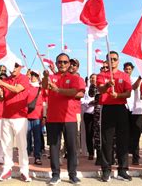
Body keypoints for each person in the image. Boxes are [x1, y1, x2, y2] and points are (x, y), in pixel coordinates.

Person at [43, 53, 84, 185]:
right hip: (53, 118)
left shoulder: (73, 78)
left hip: (69, 117)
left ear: (69, 64)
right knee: (54, 148)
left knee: (71, 147)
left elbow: (74, 92)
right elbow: (44, 87)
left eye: (65, 62)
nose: (62, 64)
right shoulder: (51, 77)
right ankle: (55, 174)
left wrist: (58, 90)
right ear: (56, 63)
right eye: (60, 62)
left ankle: (72, 175)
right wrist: (44, 77)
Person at [96, 51, 132, 182]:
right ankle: (106, 169)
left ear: (118, 61)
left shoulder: (124, 76)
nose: (112, 61)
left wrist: (119, 95)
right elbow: (100, 90)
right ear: (106, 61)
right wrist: (107, 85)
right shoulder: (102, 75)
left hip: (121, 109)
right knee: (107, 140)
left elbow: (128, 93)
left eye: (114, 59)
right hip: (108, 109)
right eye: (110, 59)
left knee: (123, 140)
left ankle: (123, 169)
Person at [0, 63, 31, 182]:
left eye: (16, 66)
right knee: (6, 145)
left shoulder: (24, 78)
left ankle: (24, 171)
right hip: (6, 116)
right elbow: (2, 98)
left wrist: (2, 83)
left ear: (21, 67)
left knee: (22, 146)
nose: (13, 68)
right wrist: (0, 94)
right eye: (12, 66)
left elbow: (17, 89)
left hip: (20, 117)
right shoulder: (5, 80)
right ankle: (7, 170)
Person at [124, 62, 142, 165]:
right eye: (126, 69)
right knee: (128, 134)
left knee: (137, 135)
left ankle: (136, 157)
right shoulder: (134, 79)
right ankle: (127, 156)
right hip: (129, 109)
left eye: (129, 69)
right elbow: (134, 87)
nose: (128, 71)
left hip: (141, 111)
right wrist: (140, 78)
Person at [27, 70, 44, 165]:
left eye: (35, 75)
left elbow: (44, 104)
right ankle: (26, 155)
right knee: (27, 137)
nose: (33, 76)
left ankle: (37, 156)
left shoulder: (41, 88)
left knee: (37, 138)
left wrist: (44, 117)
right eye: (32, 75)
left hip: (37, 116)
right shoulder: (27, 86)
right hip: (26, 116)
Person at [81, 74, 96, 160]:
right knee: (89, 133)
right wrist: (90, 102)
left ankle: (98, 152)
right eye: (92, 78)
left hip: (97, 114)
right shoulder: (86, 90)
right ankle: (90, 152)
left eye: (94, 78)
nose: (93, 80)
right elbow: (81, 100)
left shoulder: (100, 89)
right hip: (88, 113)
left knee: (97, 134)